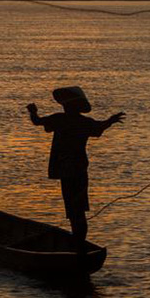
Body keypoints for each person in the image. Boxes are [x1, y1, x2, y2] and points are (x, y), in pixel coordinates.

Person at [27, 86, 124, 250]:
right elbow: (99, 127)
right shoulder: (84, 122)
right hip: (79, 171)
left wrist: (32, 111)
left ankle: (77, 245)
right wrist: (111, 121)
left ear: (67, 106)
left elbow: (38, 122)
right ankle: (78, 245)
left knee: (74, 211)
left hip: (67, 171)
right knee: (78, 210)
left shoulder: (60, 119)